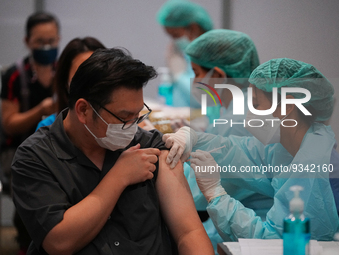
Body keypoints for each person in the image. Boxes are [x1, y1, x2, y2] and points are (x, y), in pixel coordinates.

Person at [11, 48, 214, 255]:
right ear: (83, 110)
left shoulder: (151, 147)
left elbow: (189, 233)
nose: (133, 127)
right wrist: (118, 177)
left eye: (138, 116)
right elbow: (58, 242)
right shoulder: (35, 158)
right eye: (124, 118)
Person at [163, 58, 339, 241]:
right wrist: (194, 139)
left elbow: (272, 242)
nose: (249, 115)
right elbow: (238, 152)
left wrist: (216, 194)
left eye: (255, 105)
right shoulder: (288, 147)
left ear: (287, 105)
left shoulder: (312, 166)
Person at [0, 11, 60, 254]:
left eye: (52, 41)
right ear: (27, 42)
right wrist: (41, 110)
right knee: (29, 205)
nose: (47, 46)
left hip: (58, 147)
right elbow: (9, 124)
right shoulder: (15, 75)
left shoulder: (64, 70)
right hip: (20, 150)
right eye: (40, 42)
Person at [36, 37, 106, 130]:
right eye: (81, 75)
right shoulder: (47, 128)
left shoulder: (120, 123)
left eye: (96, 74)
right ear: (65, 82)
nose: (90, 82)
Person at [157, 0, 213, 107]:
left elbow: (206, 99)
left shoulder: (214, 54)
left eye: (175, 35)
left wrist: (179, 75)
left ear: (193, 28)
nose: (173, 41)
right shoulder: (188, 55)